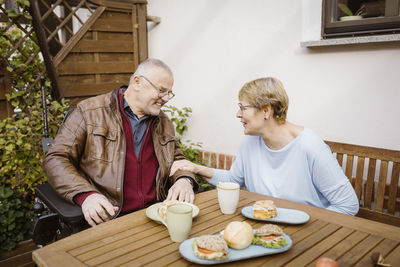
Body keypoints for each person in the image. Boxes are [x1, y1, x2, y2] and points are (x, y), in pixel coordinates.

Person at [170, 77, 359, 215]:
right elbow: (234, 180)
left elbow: (347, 205)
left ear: (266, 110)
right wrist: (196, 168)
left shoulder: (309, 145)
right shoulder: (251, 141)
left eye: (243, 108)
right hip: (264, 226)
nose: (238, 114)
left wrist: (307, 225)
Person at [44, 58, 199, 227]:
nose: (167, 98)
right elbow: (55, 158)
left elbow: (177, 159)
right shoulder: (89, 112)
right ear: (137, 83)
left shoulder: (163, 122)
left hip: (157, 216)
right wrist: (86, 195)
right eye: (162, 91)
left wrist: (184, 179)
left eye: (170, 93)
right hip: (110, 217)